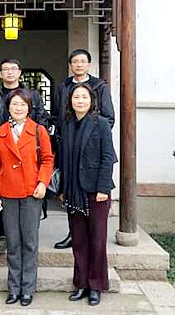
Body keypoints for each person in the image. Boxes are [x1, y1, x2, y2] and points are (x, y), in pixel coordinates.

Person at [0, 89, 54, 306]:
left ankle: (28, 288)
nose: (18, 108)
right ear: (8, 107)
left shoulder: (39, 131)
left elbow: (47, 159)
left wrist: (43, 182)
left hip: (31, 192)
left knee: (30, 242)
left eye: (23, 104)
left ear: (29, 108)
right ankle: (14, 288)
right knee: (13, 242)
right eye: (14, 104)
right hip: (7, 193)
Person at [59, 83, 116, 306]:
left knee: (97, 241)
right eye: (76, 97)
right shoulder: (67, 124)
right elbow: (64, 159)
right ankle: (81, 283)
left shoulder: (100, 123)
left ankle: (96, 285)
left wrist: (103, 188)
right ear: (70, 101)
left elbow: (108, 157)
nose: (80, 101)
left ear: (92, 101)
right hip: (74, 190)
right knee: (79, 241)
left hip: (95, 192)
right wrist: (63, 189)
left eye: (84, 97)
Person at [52, 49, 115, 250]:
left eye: (82, 61)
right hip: (69, 141)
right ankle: (73, 234)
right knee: (72, 196)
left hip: (91, 146)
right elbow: (57, 115)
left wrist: (90, 136)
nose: (78, 65)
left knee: (94, 222)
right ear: (70, 65)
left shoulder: (99, 86)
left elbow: (109, 118)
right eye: (75, 61)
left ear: (88, 64)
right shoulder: (64, 86)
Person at [0, 58, 49, 255]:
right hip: (3, 149)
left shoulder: (32, 96)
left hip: (28, 151)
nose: (10, 72)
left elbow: (42, 120)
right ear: (0, 74)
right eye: (6, 69)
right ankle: (3, 235)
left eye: (14, 69)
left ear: (20, 72)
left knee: (28, 226)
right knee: (4, 201)